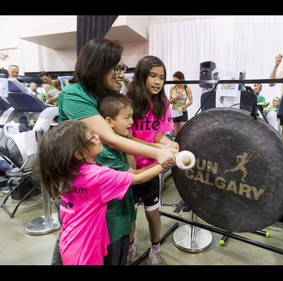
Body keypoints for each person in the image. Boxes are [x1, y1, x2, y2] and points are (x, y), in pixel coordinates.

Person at [54, 38, 177, 265]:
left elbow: (127, 137)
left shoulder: (106, 96)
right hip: (91, 199)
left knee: (118, 245)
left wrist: (161, 146)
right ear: (98, 66)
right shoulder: (74, 95)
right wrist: (159, 156)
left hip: (116, 185)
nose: (121, 74)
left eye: (123, 68)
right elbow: (112, 138)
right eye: (117, 68)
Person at [34, 120, 170, 265]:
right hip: (86, 251)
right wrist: (164, 163)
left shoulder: (66, 172)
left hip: (69, 243)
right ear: (79, 154)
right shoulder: (97, 176)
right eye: (92, 136)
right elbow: (137, 178)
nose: (98, 136)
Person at [127, 55, 178, 265]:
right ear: (141, 76)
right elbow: (127, 138)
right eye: (153, 76)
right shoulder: (127, 99)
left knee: (152, 212)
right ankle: (130, 246)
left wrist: (169, 144)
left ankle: (155, 248)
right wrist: (159, 149)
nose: (158, 81)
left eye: (162, 77)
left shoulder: (163, 103)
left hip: (152, 169)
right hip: (130, 167)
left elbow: (158, 135)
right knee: (130, 213)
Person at [97, 93, 145, 265]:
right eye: (127, 117)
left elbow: (133, 164)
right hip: (112, 225)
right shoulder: (104, 152)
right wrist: (164, 163)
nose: (132, 122)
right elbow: (134, 175)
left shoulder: (117, 146)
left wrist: (125, 144)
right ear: (109, 121)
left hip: (123, 214)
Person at [169, 71, 193, 138]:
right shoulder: (172, 88)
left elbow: (191, 101)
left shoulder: (186, 88)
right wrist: (176, 97)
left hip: (183, 112)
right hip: (174, 112)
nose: (175, 83)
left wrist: (183, 107)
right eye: (173, 81)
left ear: (182, 79)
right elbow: (170, 102)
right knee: (174, 134)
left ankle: (181, 147)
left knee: (181, 133)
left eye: (176, 81)